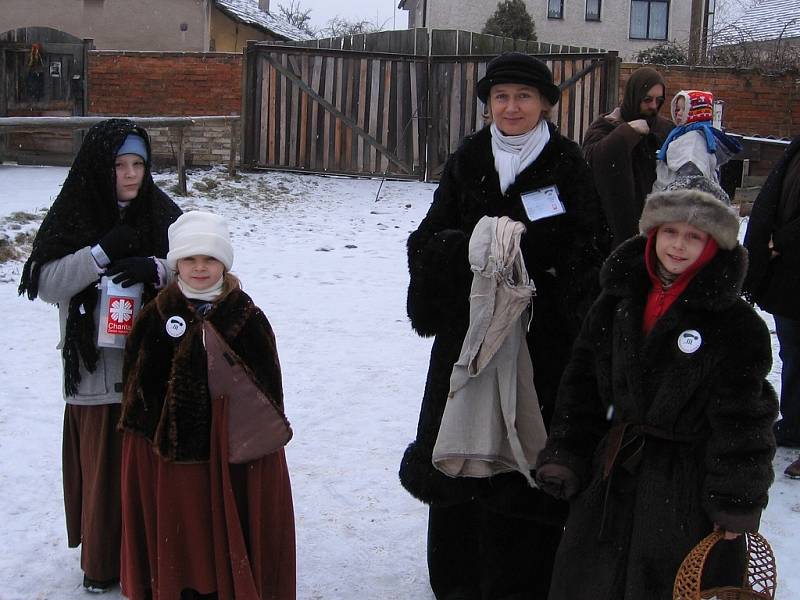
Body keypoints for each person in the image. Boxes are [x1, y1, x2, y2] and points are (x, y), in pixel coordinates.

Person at [399, 52, 608, 599]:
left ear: (544, 104)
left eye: (522, 97)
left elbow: (594, 250)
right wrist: (472, 250)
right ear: (489, 105)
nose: (511, 108)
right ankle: (459, 579)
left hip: (542, 347)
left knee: (527, 461)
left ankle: (524, 580)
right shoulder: (468, 159)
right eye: (500, 98)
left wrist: (532, 260)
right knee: (463, 460)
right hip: (468, 344)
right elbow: (426, 241)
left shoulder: (566, 164)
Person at [536, 181, 778, 600]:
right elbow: (582, 386)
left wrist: (736, 500)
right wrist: (566, 452)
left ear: (713, 243)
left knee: (670, 585)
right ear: (652, 233)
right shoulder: (616, 300)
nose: (678, 246)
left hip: (684, 488)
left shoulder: (736, 324)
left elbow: (744, 420)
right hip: (610, 478)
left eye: (693, 235)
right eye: (670, 231)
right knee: (587, 580)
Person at [18, 119, 181, 593]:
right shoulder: (75, 211)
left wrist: (155, 267)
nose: (131, 175)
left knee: (149, 469)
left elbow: (201, 265)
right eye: (119, 165)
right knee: (106, 471)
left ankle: (151, 556)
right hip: (94, 370)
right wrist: (100, 253)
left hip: (153, 365)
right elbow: (46, 283)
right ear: (98, 167)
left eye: (139, 165)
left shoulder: (162, 212)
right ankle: (104, 561)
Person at [118, 211, 296, 600]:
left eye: (210, 259)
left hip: (232, 454)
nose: (200, 268)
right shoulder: (155, 317)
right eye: (190, 259)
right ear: (176, 262)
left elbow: (268, 389)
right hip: (170, 456)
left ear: (224, 263)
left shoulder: (247, 318)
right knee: (183, 533)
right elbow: (139, 386)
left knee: (227, 527)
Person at [743, 135, 800, 477]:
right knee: (793, 351)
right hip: (787, 274)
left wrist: (782, 240)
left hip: (789, 258)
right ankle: (793, 422)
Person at [583, 67, 674, 248]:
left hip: (656, 229)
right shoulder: (605, 126)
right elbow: (594, 159)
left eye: (659, 100)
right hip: (609, 230)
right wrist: (627, 133)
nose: (654, 106)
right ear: (634, 95)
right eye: (647, 100)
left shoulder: (665, 129)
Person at [652, 89, 742, 192]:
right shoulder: (682, 135)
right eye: (677, 109)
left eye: (684, 109)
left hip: (677, 200)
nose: (679, 113)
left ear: (696, 112)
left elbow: (690, 177)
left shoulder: (693, 140)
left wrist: (672, 195)